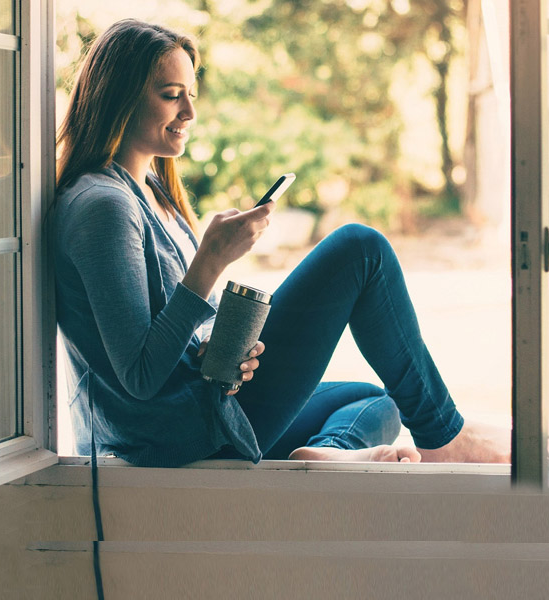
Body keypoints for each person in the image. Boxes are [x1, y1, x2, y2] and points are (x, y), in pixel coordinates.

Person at [54, 18, 509, 468]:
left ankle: (332, 452)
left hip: (205, 401)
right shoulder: (103, 207)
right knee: (360, 251)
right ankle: (444, 436)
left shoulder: (150, 190)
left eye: (191, 95)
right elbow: (140, 375)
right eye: (172, 96)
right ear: (119, 97)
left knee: (377, 401)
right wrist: (210, 261)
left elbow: (169, 335)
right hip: (179, 433)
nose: (189, 113)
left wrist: (218, 345)